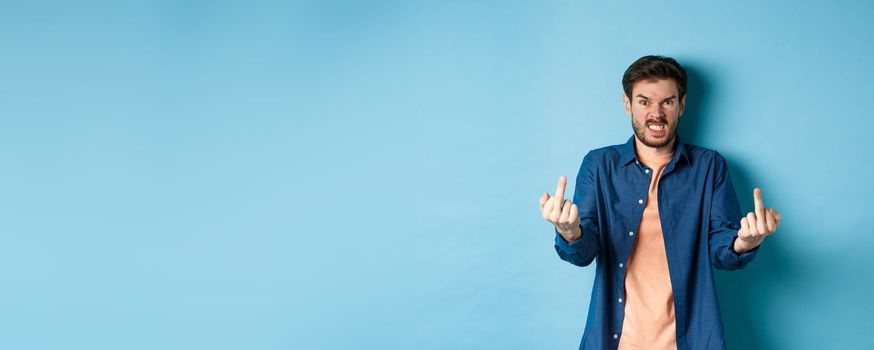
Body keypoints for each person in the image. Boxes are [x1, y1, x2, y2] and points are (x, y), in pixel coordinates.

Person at [538, 55, 782, 350]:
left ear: (682, 105)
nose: (656, 113)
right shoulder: (599, 165)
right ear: (628, 104)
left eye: (667, 102)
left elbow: (722, 251)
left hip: (690, 340)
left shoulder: (709, 167)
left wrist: (745, 242)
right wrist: (570, 232)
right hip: (615, 341)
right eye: (644, 102)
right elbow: (583, 253)